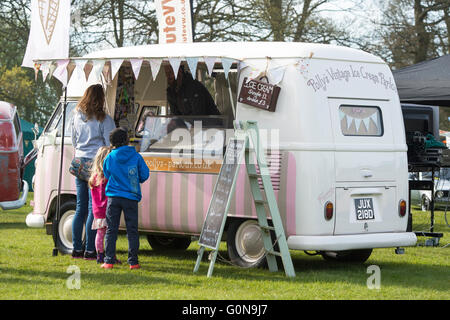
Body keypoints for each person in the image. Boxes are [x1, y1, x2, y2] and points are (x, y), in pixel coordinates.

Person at [70, 84, 116, 260]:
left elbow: (74, 140)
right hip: (95, 163)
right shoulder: (103, 119)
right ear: (101, 99)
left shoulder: (76, 116)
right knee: (93, 208)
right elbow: (109, 142)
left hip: (79, 161)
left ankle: (76, 248)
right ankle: (90, 249)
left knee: (80, 207)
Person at [101, 127, 149, 269]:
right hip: (131, 196)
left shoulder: (110, 157)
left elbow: (107, 174)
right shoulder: (136, 156)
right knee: (132, 230)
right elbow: (145, 175)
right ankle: (133, 262)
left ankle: (109, 260)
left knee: (111, 229)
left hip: (114, 196)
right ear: (127, 140)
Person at [88, 146, 111, 264]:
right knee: (109, 234)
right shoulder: (106, 177)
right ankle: (108, 255)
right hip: (106, 209)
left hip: (97, 210)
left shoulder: (94, 177)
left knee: (99, 234)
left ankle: (99, 255)